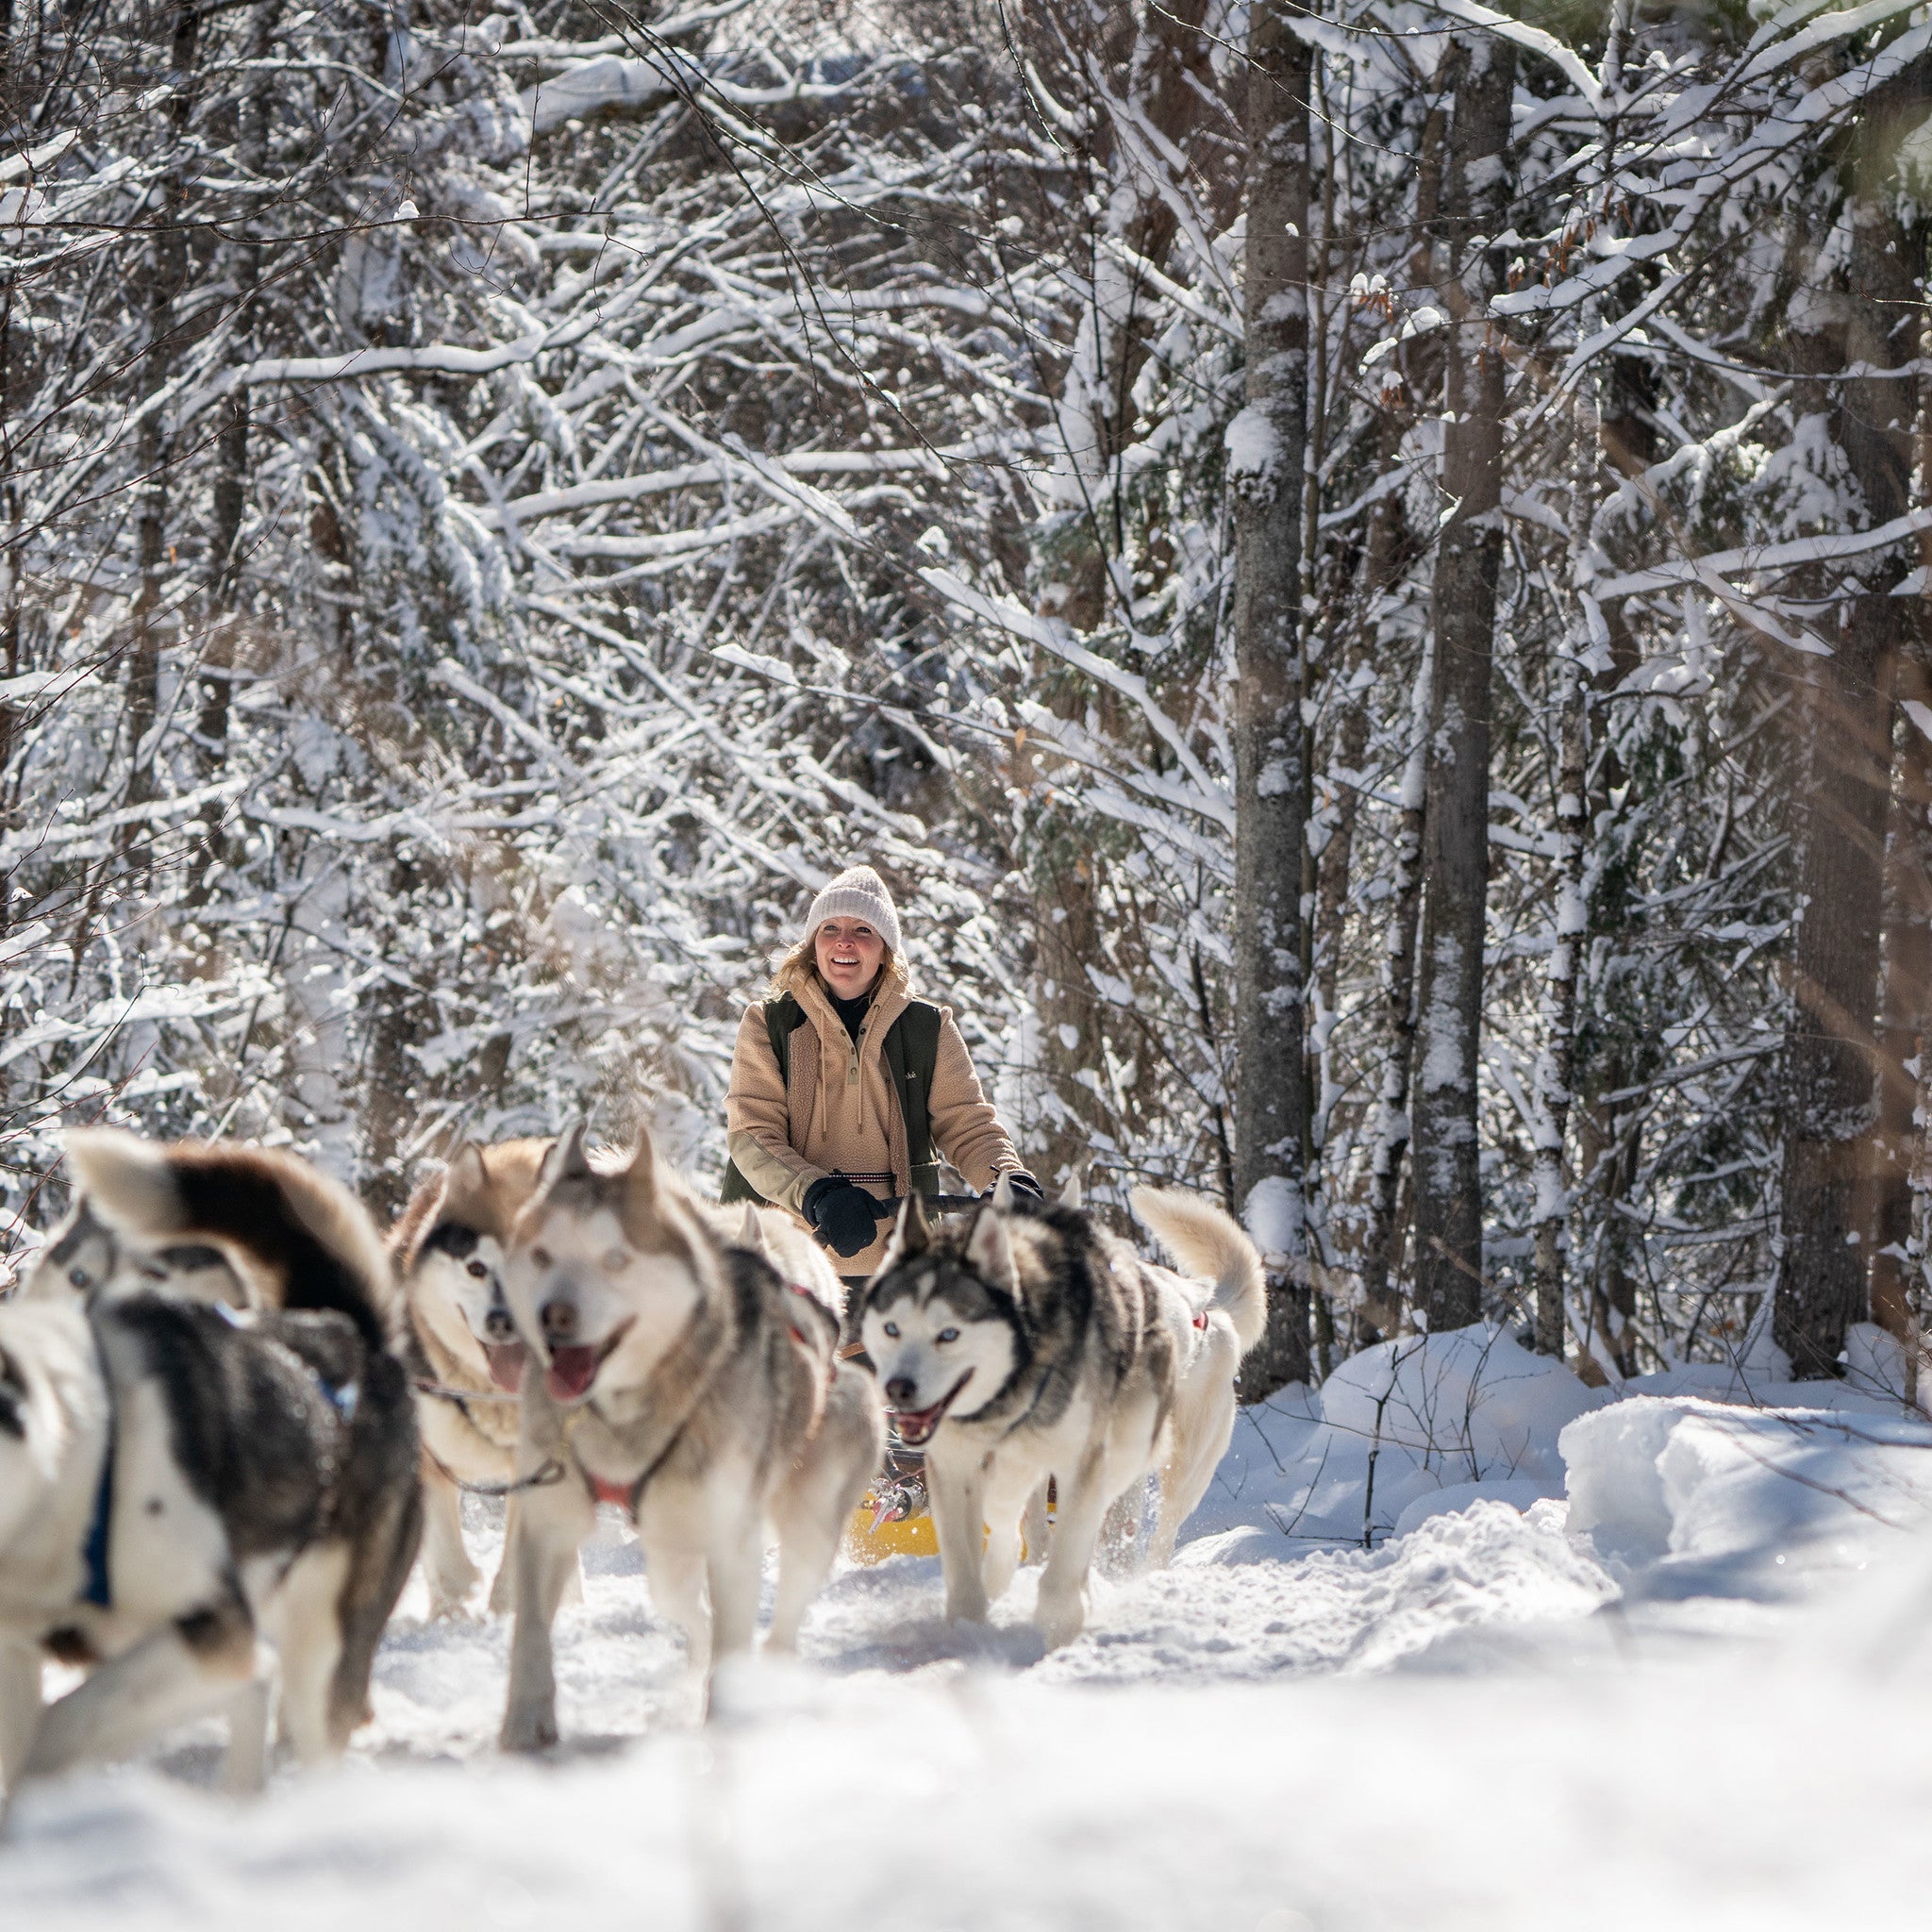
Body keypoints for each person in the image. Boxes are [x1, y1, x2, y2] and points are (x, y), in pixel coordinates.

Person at [724, 863, 1040, 1280]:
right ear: (813, 944)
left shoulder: (927, 1028)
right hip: (788, 1260)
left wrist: (1008, 1177)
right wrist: (818, 1194)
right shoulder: (770, 1023)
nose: (845, 941)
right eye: (830, 928)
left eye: (863, 930)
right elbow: (752, 1136)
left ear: (885, 948)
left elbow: (968, 1126)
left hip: (901, 1265)